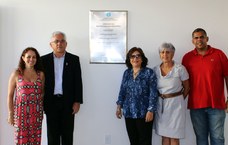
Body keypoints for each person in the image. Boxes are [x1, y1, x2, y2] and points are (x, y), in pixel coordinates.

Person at [182, 28, 228, 145]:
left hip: (217, 105)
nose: (199, 40)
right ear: (193, 40)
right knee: (201, 139)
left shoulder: (219, 54)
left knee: (217, 139)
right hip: (196, 106)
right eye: (196, 38)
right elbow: (183, 81)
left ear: (207, 39)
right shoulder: (187, 58)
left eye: (201, 37)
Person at [41, 31, 83, 145]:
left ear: (66, 43)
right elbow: (40, 82)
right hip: (50, 102)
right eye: (56, 41)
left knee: (67, 135)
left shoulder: (74, 59)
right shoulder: (43, 60)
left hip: (68, 102)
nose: (59, 43)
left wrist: (77, 101)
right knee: (52, 136)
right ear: (51, 44)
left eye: (62, 41)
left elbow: (78, 81)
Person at [116, 47, 158, 145]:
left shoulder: (149, 72)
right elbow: (122, 91)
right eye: (132, 56)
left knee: (145, 141)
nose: (135, 58)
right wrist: (119, 107)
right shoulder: (127, 73)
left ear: (142, 58)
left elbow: (153, 93)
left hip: (144, 113)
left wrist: (151, 110)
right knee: (133, 141)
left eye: (138, 56)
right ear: (129, 59)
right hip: (129, 112)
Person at [7, 47, 45, 145]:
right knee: (21, 141)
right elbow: (10, 95)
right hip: (20, 114)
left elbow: (42, 93)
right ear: (23, 58)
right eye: (28, 57)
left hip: (36, 114)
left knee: (35, 140)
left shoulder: (40, 75)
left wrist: (40, 110)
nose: (31, 59)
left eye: (34, 57)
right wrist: (11, 114)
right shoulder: (16, 74)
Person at [154, 43, 190, 145]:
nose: (165, 54)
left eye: (168, 52)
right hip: (161, 105)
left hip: (176, 106)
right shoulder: (155, 70)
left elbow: (187, 87)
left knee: (174, 137)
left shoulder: (180, 68)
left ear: (173, 54)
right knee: (164, 136)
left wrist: (178, 99)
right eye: (162, 52)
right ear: (160, 54)